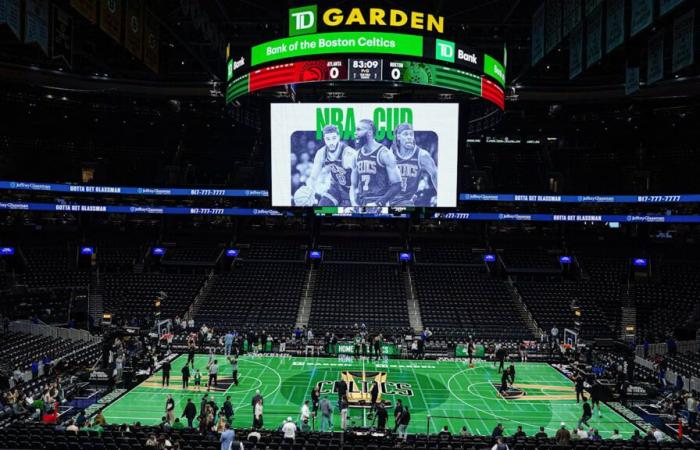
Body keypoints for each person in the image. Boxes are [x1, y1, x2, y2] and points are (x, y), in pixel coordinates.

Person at [350, 119, 402, 207]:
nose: (355, 133)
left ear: (369, 133)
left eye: (359, 130)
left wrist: (378, 203)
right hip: (363, 203)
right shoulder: (356, 155)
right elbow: (353, 185)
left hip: (380, 202)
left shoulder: (384, 153)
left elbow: (397, 184)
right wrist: (353, 203)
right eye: (355, 130)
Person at [305, 124, 356, 207]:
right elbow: (313, 178)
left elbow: (358, 181)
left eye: (334, 138)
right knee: (322, 208)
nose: (331, 142)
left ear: (339, 137)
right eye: (328, 139)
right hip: (335, 188)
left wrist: (354, 202)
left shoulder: (349, 154)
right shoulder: (321, 153)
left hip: (352, 190)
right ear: (324, 139)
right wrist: (310, 191)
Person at [389, 123, 438, 207]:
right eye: (405, 134)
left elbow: (435, 175)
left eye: (411, 134)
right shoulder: (391, 153)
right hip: (393, 201)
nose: (409, 137)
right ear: (398, 137)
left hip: (413, 200)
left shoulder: (422, 155)